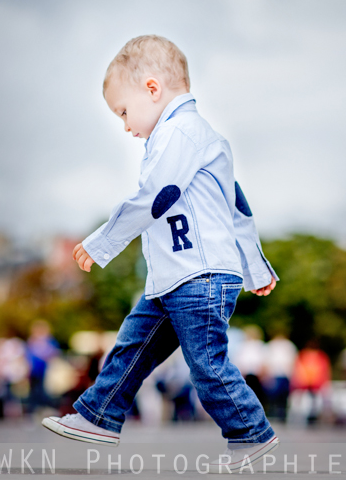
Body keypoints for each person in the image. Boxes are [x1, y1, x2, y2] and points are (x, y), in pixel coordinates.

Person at [41, 35, 279, 473]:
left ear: (153, 89)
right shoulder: (175, 138)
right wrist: (254, 265)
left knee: (207, 366)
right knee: (130, 349)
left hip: (200, 276)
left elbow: (157, 196)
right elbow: (237, 209)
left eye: (124, 112)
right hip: (172, 278)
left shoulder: (182, 133)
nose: (126, 126)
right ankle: (98, 416)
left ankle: (250, 432)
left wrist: (101, 243)